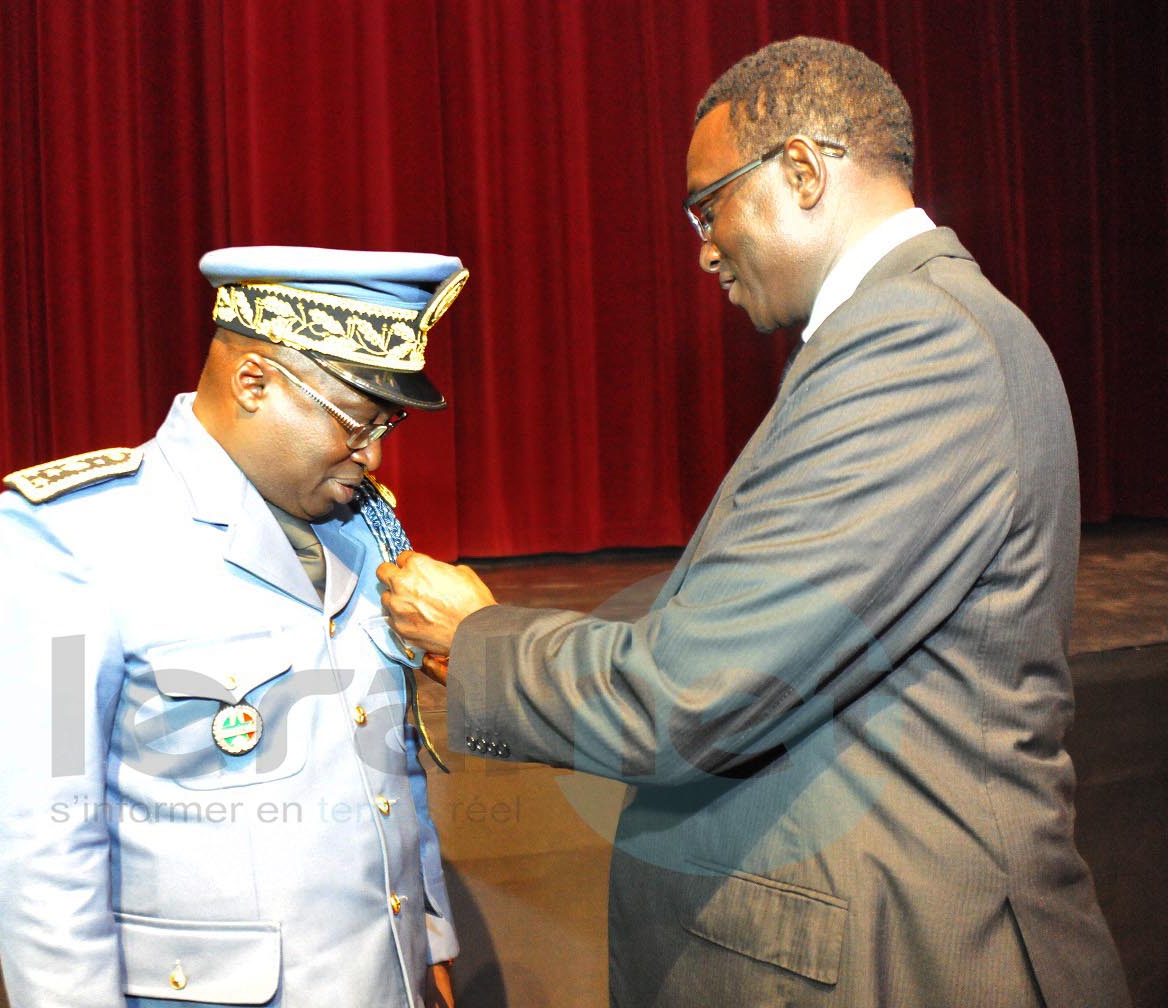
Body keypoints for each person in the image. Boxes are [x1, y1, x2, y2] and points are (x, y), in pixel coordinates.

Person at [379, 37, 1131, 1008]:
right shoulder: (898, 334)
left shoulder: (918, 346)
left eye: (709, 204)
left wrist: (478, 639)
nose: (702, 245)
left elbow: (693, 691)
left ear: (806, 170)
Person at [0, 246, 469, 1007]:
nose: (373, 454)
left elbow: (389, 759)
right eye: (357, 421)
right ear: (253, 382)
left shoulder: (361, 527)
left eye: (389, 423)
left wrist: (427, 937)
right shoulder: (82, 535)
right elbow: (44, 839)